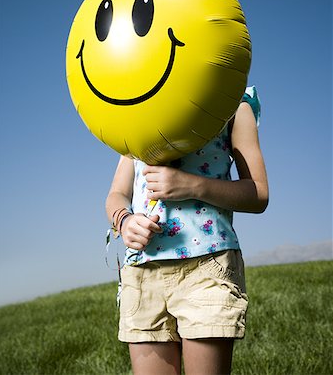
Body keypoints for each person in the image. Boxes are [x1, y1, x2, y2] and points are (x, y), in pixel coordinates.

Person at [106, 86, 269, 375]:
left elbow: (258, 194)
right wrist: (124, 221)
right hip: (143, 272)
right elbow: (116, 194)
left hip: (207, 265)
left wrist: (192, 185)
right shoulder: (135, 108)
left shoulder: (232, 102)